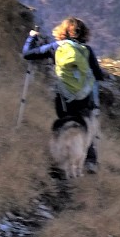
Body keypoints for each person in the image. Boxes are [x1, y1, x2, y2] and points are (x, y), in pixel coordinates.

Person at [23, 17, 107, 173]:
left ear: (62, 31)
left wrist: (32, 37)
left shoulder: (55, 47)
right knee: (85, 127)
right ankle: (89, 162)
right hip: (85, 97)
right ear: (83, 33)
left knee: (63, 124)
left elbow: (27, 54)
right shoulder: (86, 51)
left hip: (64, 97)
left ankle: (59, 161)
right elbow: (98, 75)